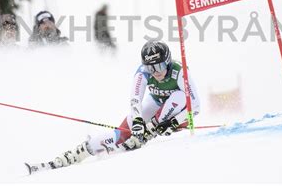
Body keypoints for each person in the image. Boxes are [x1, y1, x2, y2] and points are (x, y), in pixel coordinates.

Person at [27, 41, 200, 171]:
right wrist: (138, 121)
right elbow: (135, 100)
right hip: (155, 105)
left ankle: (150, 131)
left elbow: (196, 105)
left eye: (160, 66)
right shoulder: (143, 73)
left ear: (168, 62)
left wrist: (173, 122)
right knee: (126, 129)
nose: (157, 72)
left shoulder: (179, 71)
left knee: (179, 96)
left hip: (181, 115)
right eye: (151, 68)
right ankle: (81, 151)